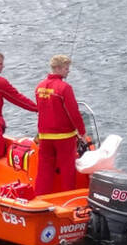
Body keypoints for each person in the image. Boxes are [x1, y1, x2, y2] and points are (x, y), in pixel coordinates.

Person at [34, 54, 88, 196]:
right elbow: (74, 113)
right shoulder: (64, 88)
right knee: (67, 170)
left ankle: (40, 197)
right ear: (57, 68)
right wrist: (82, 132)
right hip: (64, 137)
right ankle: (67, 198)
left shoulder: (39, 87)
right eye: (66, 68)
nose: (68, 71)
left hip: (45, 136)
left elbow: (41, 110)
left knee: (44, 170)